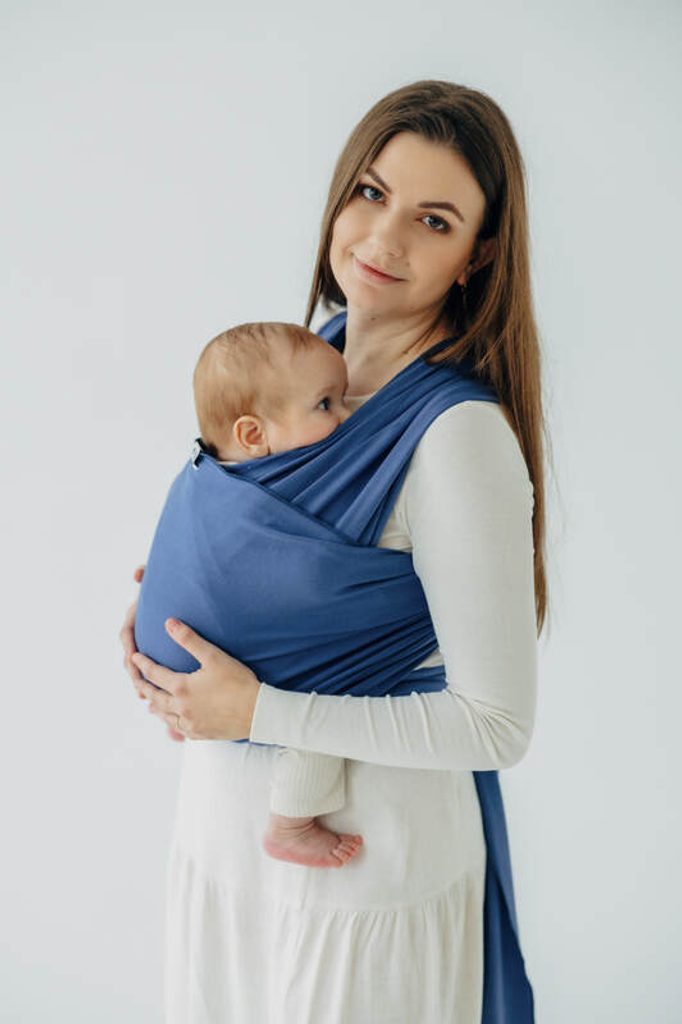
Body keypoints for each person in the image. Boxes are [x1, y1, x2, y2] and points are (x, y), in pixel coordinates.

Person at [121, 79, 546, 1023]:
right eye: (370, 192)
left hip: (365, 878)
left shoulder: (457, 437)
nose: (383, 239)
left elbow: (496, 726)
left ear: (479, 254)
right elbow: (255, 542)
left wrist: (257, 707)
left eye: (433, 220)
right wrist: (173, 612)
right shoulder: (310, 356)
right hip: (224, 851)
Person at [139, 320, 366, 869]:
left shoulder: (215, 468)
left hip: (166, 643)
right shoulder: (287, 487)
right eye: (326, 404)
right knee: (331, 689)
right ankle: (292, 822)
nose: (347, 416)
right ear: (252, 435)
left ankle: (183, 716)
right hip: (193, 644)